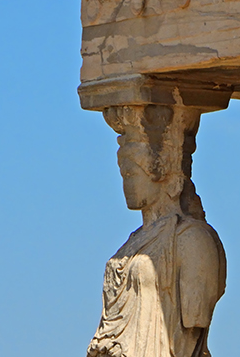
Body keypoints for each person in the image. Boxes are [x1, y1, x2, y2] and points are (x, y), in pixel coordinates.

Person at [88, 105, 226, 357]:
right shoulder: (133, 241)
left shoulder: (191, 238)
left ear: (160, 174)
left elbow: (192, 329)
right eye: (123, 174)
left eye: (132, 173)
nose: (126, 182)